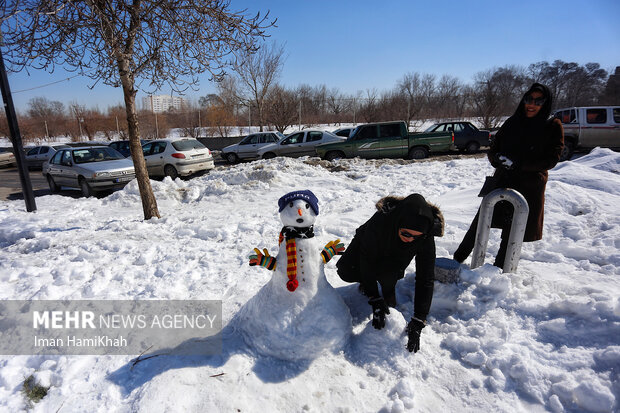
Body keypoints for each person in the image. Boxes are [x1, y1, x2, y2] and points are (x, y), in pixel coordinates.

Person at [453, 83, 564, 268]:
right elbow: (494, 147)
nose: (532, 104)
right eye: (529, 99)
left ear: (546, 103)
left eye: (538, 101)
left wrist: (520, 164)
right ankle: (457, 259)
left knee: (512, 229)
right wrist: (497, 158)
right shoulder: (513, 121)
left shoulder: (552, 125)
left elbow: (551, 160)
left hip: (528, 187)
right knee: (481, 220)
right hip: (503, 180)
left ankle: (500, 271)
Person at [336, 193, 444, 353]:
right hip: (367, 246)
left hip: (395, 256)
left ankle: (389, 289)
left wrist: (419, 319)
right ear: (398, 224)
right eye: (406, 234)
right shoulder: (380, 221)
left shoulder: (425, 235)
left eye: (416, 237)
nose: (410, 239)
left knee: (388, 276)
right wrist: (373, 296)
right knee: (346, 271)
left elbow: (425, 277)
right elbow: (367, 260)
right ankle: (370, 285)